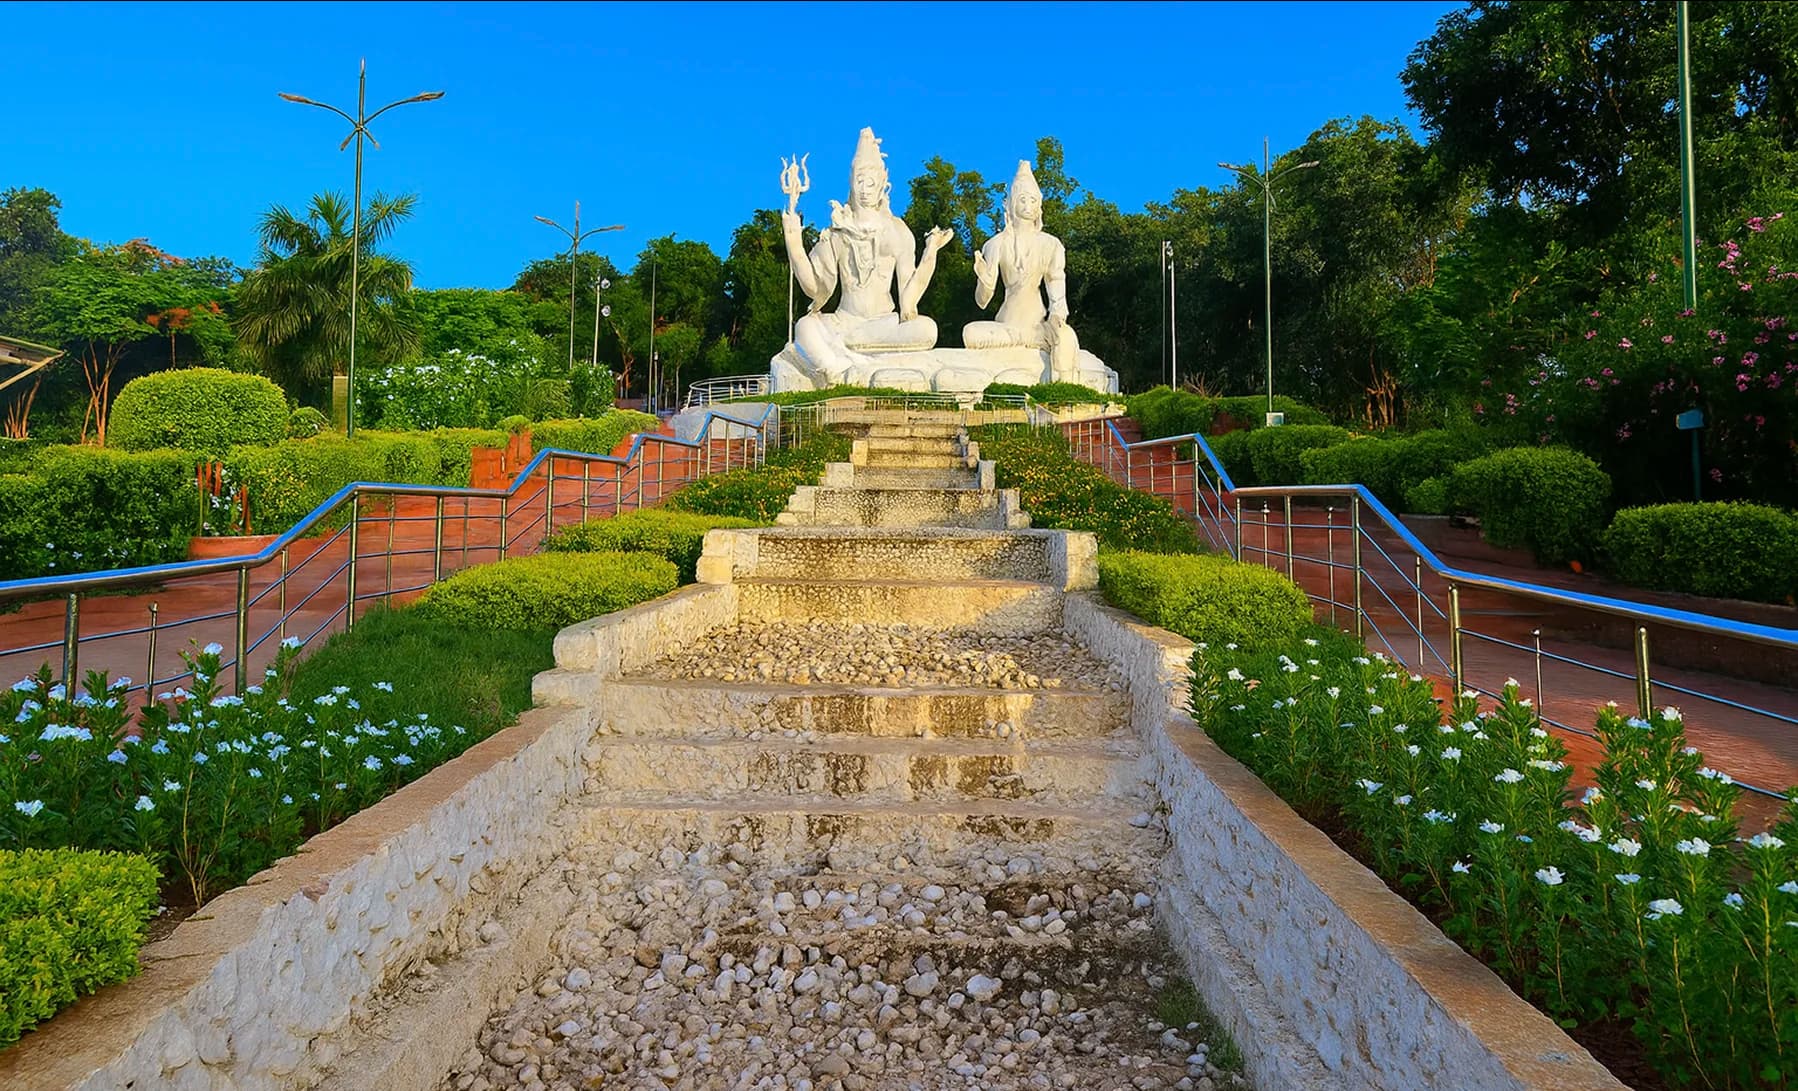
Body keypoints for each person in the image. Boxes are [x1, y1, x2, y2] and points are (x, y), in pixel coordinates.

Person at [780, 128, 953, 385]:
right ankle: (837, 371)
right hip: (844, 323)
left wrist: (930, 253)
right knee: (804, 326)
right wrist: (794, 240)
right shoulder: (838, 232)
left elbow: (908, 301)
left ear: (883, 181)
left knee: (927, 329)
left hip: (882, 324)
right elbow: (816, 290)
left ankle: (845, 359)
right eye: (859, 181)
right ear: (851, 182)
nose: (864, 189)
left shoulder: (897, 231)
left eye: (870, 182)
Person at [965, 160, 1081, 381]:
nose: (1028, 206)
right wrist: (986, 280)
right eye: (1022, 200)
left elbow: (1056, 282)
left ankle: (1063, 392)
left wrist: (1057, 313)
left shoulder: (1051, 244)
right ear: (1009, 205)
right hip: (1007, 327)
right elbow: (982, 301)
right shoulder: (996, 244)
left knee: (1065, 337)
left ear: (1039, 205)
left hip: (1037, 327)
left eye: (1032, 200)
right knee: (970, 333)